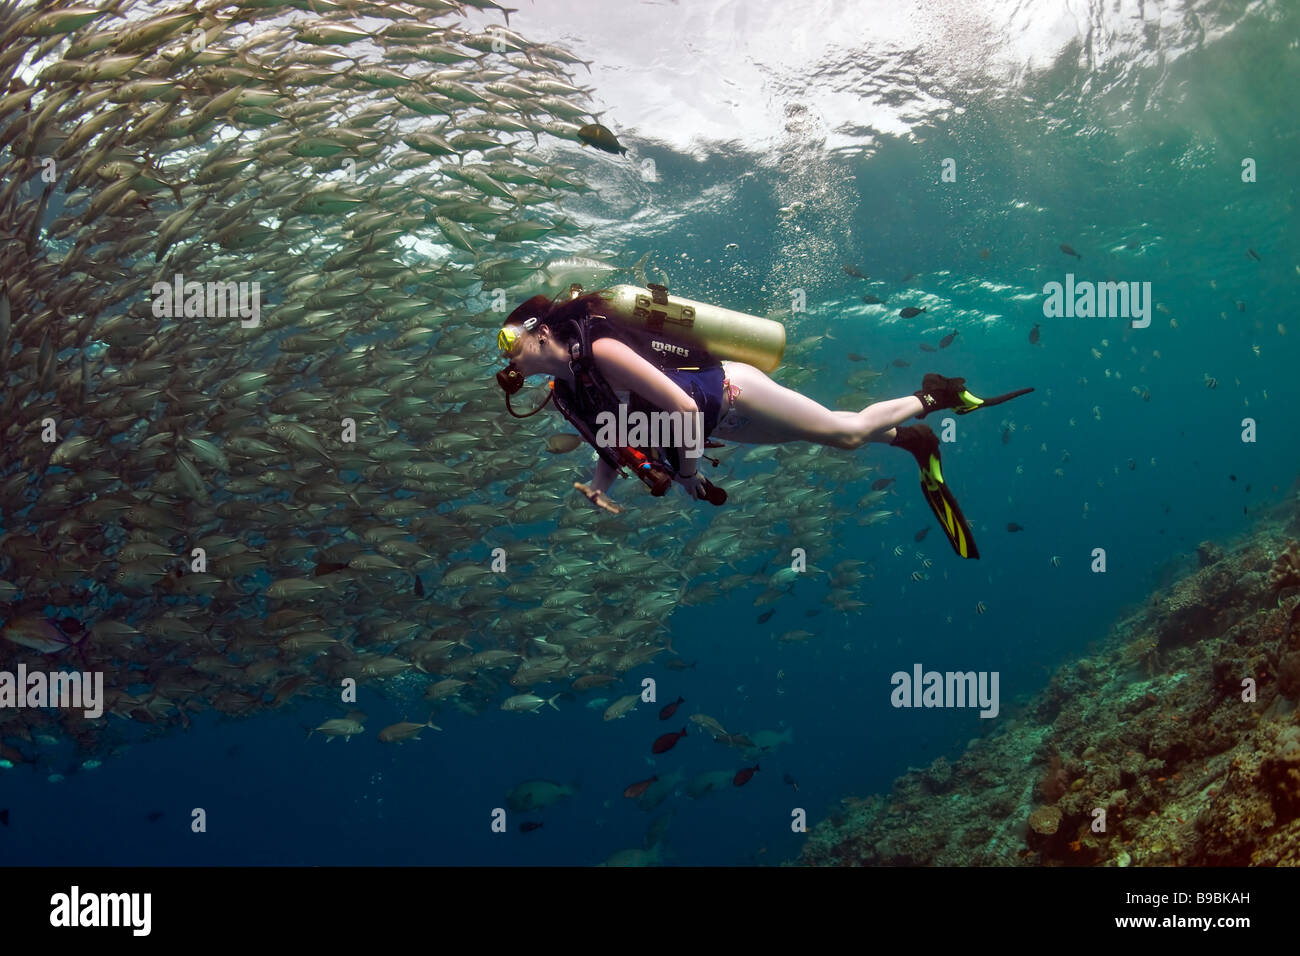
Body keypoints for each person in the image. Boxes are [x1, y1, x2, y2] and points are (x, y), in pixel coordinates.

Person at [495, 289, 1031, 558]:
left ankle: (938, 393)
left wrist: (685, 475)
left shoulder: (604, 350)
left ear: (540, 332)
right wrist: (598, 482)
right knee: (839, 437)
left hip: (733, 392)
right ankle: (911, 440)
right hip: (720, 424)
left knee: (843, 433)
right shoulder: (567, 390)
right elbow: (610, 437)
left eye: (507, 339)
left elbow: (680, 410)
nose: (505, 355)